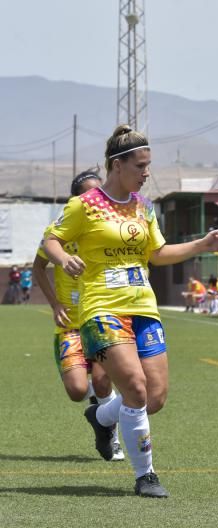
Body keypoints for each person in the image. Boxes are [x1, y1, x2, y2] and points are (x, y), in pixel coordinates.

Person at [44, 125, 218, 497]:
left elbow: (157, 254)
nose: (147, 174)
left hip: (144, 307)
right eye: (141, 166)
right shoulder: (84, 205)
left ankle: (100, 416)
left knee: (155, 398)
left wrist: (203, 243)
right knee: (134, 386)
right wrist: (64, 258)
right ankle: (146, 475)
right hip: (102, 307)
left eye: (148, 166)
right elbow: (52, 240)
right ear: (117, 165)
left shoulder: (144, 207)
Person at [32, 169, 124, 461]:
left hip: (100, 318)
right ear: (75, 200)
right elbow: (38, 267)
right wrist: (55, 304)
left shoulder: (108, 229)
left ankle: (113, 436)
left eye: (98, 193)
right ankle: (98, 410)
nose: (94, 199)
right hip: (70, 324)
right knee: (76, 390)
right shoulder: (58, 232)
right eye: (87, 194)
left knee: (101, 381)